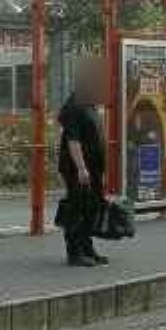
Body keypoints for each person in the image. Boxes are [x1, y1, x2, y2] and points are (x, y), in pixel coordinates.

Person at [57, 58, 110, 267]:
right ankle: (74, 252)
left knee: (91, 207)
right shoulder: (74, 106)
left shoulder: (90, 104)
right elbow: (73, 140)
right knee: (77, 208)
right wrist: (81, 168)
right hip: (78, 169)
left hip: (93, 168)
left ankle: (87, 248)